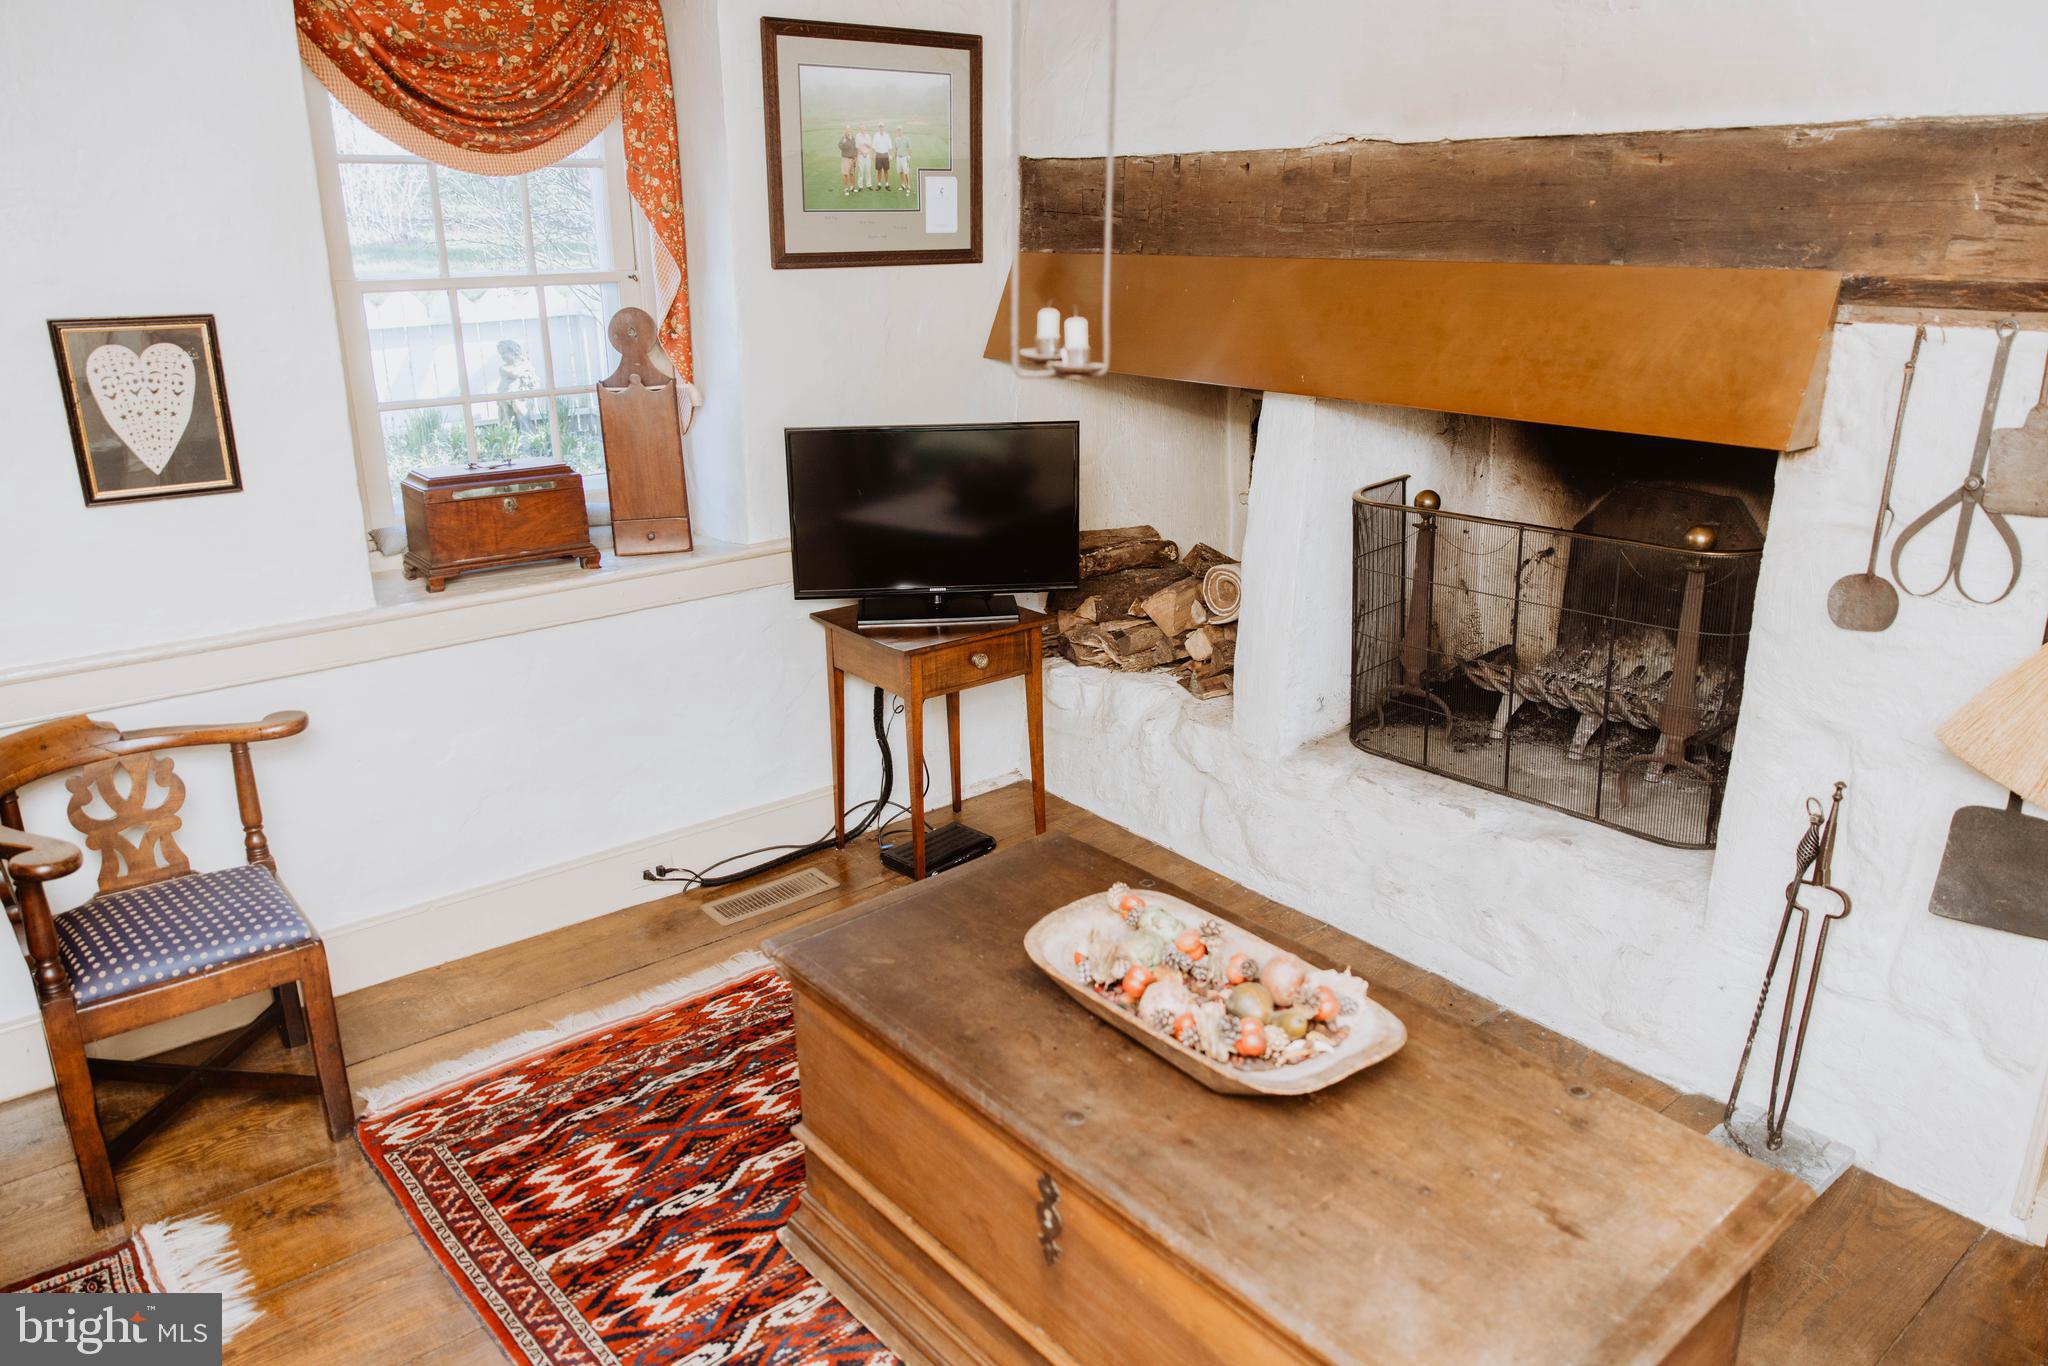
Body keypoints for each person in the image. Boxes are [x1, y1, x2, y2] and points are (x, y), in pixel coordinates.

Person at [872, 124, 893, 194]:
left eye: (882, 127)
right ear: (879, 128)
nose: (881, 128)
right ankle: (879, 184)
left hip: (885, 154)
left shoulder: (887, 135)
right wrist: (874, 154)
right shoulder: (876, 135)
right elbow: (874, 146)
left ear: (884, 128)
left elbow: (889, 146)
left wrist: (890, 154)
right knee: (879, 170)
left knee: (886, 170)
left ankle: (887, 184)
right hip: (878, 154)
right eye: (880, 127)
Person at [837, 124, 856, 195]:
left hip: (852, 159)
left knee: (852, 174)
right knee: (845, 174)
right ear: (845, 130)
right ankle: (845, 189)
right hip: (846, 158)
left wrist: (855, 157)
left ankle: (852, 187)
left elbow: (854, 148)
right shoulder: (843, 138)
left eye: (849, 129)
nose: (848, 130)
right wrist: (844, 143)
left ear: (851, 130)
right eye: (847, 129)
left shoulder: (853, 138)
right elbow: (839, 146)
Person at [855, 124, 873, 191]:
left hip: (867, 155)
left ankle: (869, 185)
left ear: (865, 129)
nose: (862, 130)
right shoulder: (858, 136)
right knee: (861, 171)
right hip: (861, 155)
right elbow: (857, 147)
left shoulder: (868, 136)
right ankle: (860, 186)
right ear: (860, 129)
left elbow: (869, 146)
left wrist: (865, 144)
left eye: (863, 129)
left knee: (868, 170)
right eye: (861, 129)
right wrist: (863, 153)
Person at [896, 125, 912, 192]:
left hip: (904, 158)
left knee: (906, 172)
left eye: (900, 130)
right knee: (901, 172)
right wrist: (895, 157)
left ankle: (908, 186)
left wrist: (909, 156)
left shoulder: (907, 139)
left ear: (902, 131)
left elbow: (910, 148)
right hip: (898, 158)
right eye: (898, 130)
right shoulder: (896, 139)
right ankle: (903, 185)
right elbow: (896, 149)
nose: (899, 131)